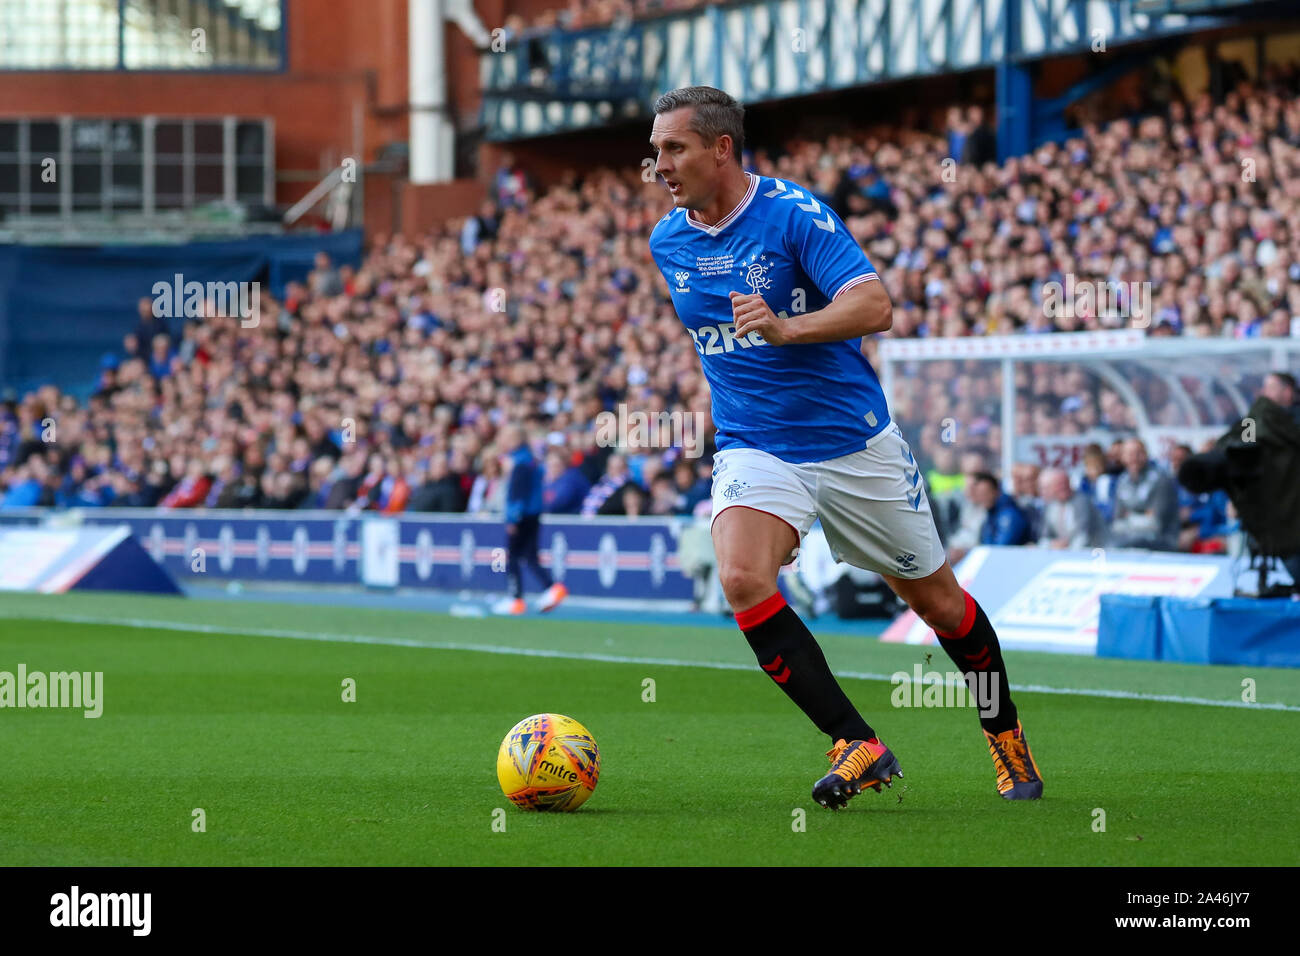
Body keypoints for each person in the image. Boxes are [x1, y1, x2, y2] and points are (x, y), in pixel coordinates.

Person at [648, 86, 1041, 808]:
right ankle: (855, 739)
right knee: (741, 578)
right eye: (656, 148)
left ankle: (1004, 731)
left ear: (721, 148)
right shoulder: (667, 241)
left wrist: (788, 328)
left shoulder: (792, 215)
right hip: (755, 446)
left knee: (942, 606)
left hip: (853, 444)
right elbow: (722, 347)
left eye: (674, 148)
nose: (659, 163)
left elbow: (876, 304)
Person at [494, 425, 567, 615]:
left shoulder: (520, 462)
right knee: (529, 556)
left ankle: (515, 598)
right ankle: (551, 588)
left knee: (512, 556)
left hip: (522, 515)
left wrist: (513, 518)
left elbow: (517, 493)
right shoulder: (531, 459)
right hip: (533, 513)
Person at [1110, 438, 1179, 551]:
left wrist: (1129, 516)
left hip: (1161, 543)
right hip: (1130, 542)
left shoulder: (1161, 480)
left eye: (1139, 453)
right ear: (1122, 457)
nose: (1134, 458)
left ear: (1146, 454)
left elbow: (1155, 523)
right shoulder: (1122, 481)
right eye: (1130, 454)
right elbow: (1117, 523)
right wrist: (1143, 514)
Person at [1037, 467, 1105, 550]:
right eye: (1058, 484)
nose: (1063, 487)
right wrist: (1051, 544)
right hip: (1062, 552)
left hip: (1093, 551)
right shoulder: (1050, 506)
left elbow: (1082, 535)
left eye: (1065, 483)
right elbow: (1045, 535)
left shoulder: (1081, 501)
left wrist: (1066, 545)